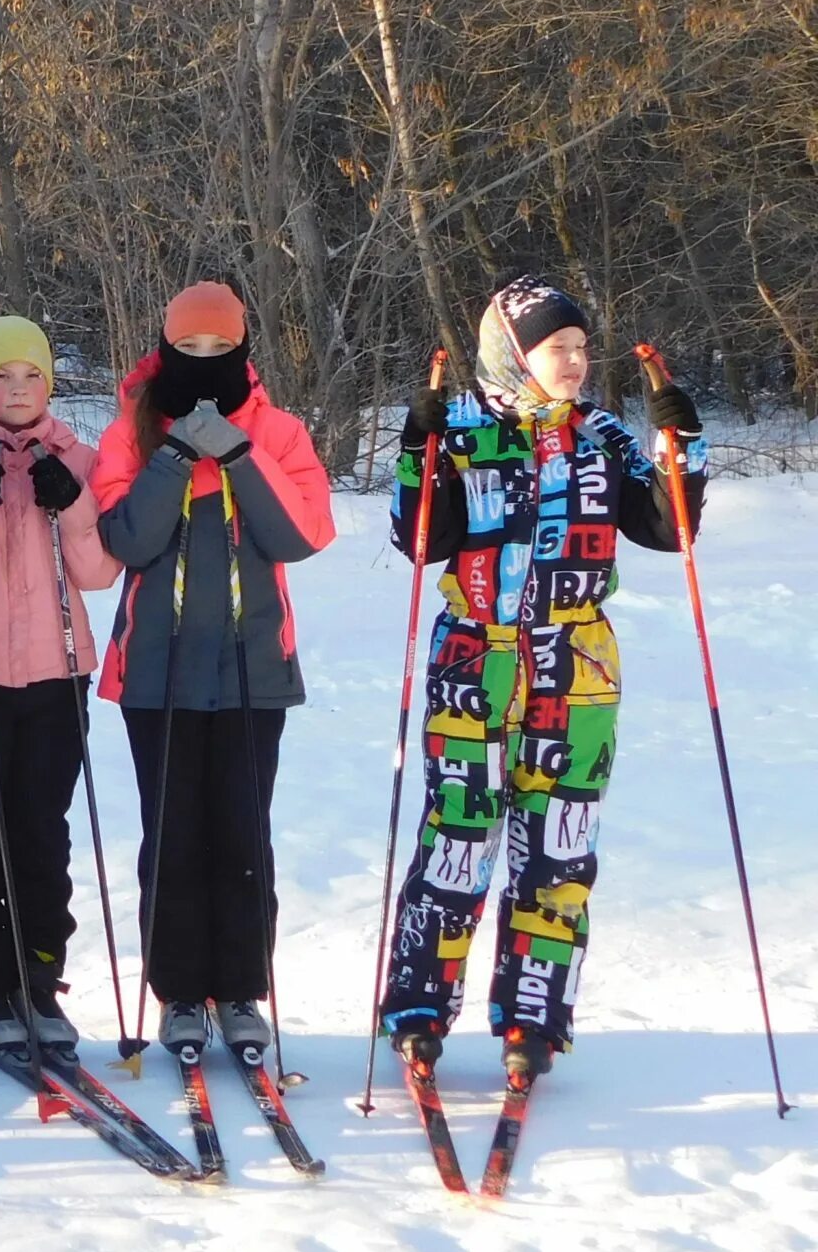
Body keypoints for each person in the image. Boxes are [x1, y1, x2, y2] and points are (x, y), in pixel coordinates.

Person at [379, 275, 706, 1081]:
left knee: (560, 848)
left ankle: (535, 1015)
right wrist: (417, 454)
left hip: (579, 666)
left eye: (581, 348)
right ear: (513, 353)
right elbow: (419, 543)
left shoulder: (601, 435)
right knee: (457, 837)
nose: (573, 362)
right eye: (555, 348)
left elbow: (670, 528)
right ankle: (420, 1007)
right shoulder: (458, 428)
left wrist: (681, 445)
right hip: (475, 662)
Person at [92, 282, 334, 1056]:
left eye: (218, 349)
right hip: (156, 674)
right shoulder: (130, 432)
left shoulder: (280, 432)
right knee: (172, 837)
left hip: (252, 672)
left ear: (242, 350)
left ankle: (239, 990)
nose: (202, 362)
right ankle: (178, 994)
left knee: (240, 835)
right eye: (188, 349)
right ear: (165, 349)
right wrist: (173, 456)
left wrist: (237, 453)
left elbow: (299, 534)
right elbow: (128, 539)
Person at [0, 316, 122, 1053]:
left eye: (31, 375)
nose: (17, 389)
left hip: (55, 673)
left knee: (42, 832)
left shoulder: (80, 455)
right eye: (1, 376)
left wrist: (70, 504)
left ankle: (39, 979)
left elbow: (100, 574)